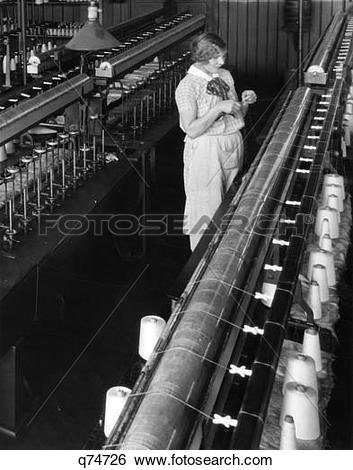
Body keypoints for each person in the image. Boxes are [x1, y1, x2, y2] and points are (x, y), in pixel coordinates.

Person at [175, 32, 257, 251]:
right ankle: (202, 267)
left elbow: (236, 114)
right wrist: (217, 109)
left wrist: (245, 101)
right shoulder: (186, 87)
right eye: (214, 57)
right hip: (207, 152)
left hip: (232, 144)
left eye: (222, 55)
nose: (221, 61)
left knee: (230, 207)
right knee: (206, 215)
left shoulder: (225, 76)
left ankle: (225, 255)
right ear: (200, 58)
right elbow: (192, 129)